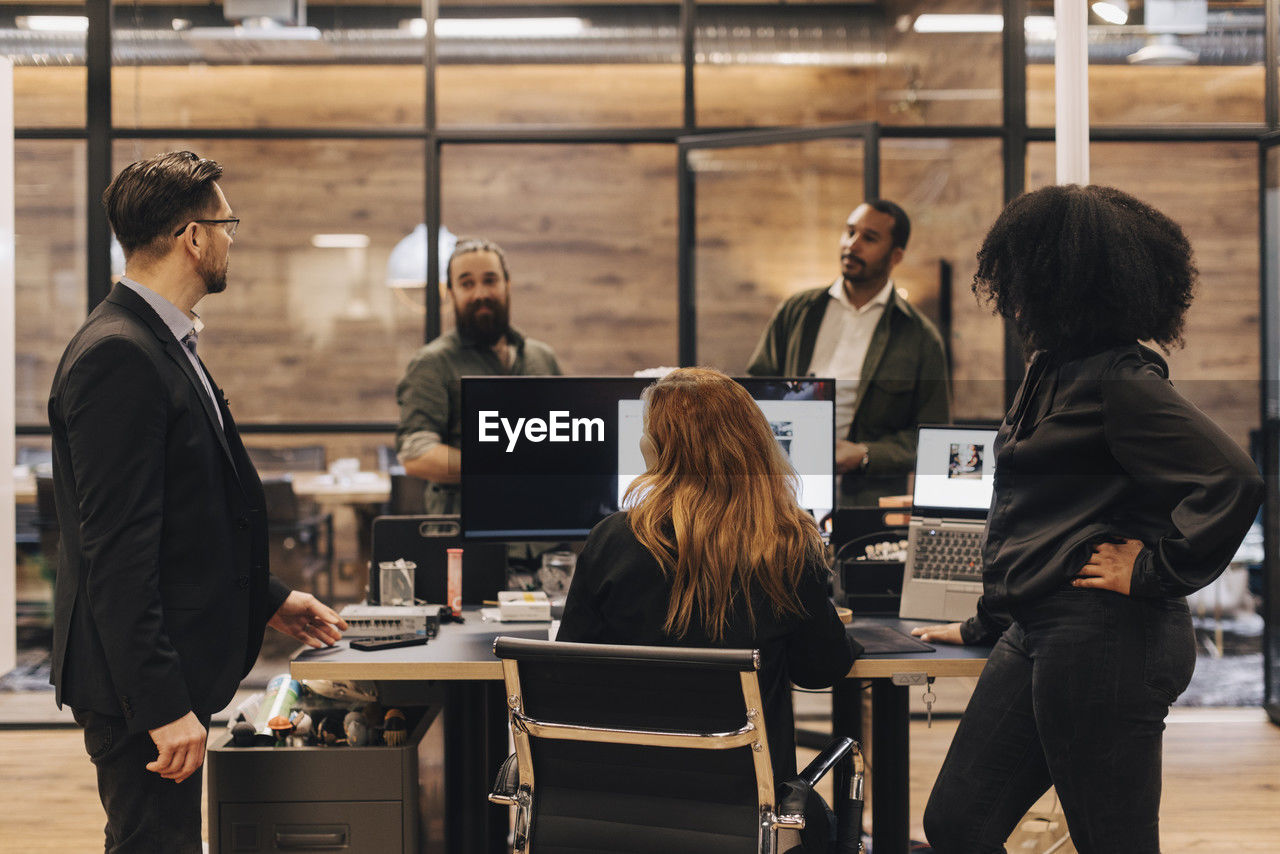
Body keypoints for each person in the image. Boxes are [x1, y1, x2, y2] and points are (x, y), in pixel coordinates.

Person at [910, 185, 1264, 854]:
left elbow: (1232, 478)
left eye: (1022, 272)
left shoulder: (1121, 379)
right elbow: (1026, 508)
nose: (1008, 291)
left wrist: (1156, 570)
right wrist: (984, 619)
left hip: (1107, 638)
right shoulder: (1051, 366)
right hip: (1038, 625)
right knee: (957, 822)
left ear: (1061, 281)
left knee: (1114, 842)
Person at [48, 151, 348, 853]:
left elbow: (191, 514)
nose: (231, 239)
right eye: (227, 223)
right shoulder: (118, 354)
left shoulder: (160, 340)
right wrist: (161, 705)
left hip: (160, 671)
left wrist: (268, 596)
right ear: (193, 236)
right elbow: (116, 551)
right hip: (138, 688)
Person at [558, 367, 858, 851]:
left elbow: (569, 677)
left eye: (646, 430)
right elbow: (820, 668)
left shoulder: (612, 540)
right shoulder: (786, 545)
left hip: (623, 805)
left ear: (663, 449)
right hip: (747, 812)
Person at [746, 200, 950, 506]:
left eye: (869, 238)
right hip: (785, 495)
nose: (852, 244)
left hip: (866, 503)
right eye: (850, 232)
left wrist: (865, 454)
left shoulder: (920, 338)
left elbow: (932, 438)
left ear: (896, 256)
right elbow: (755, 391)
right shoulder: (797, 312)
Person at [395, 237, 561, 514]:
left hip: (542, 535)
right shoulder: (432, 363)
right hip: (469, 541)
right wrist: (500, 466)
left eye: (490, 280)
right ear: (451, 292)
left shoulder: (542, 358)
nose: (480, 293)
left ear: (507, 285)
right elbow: (416, 454)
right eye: (467, 283)